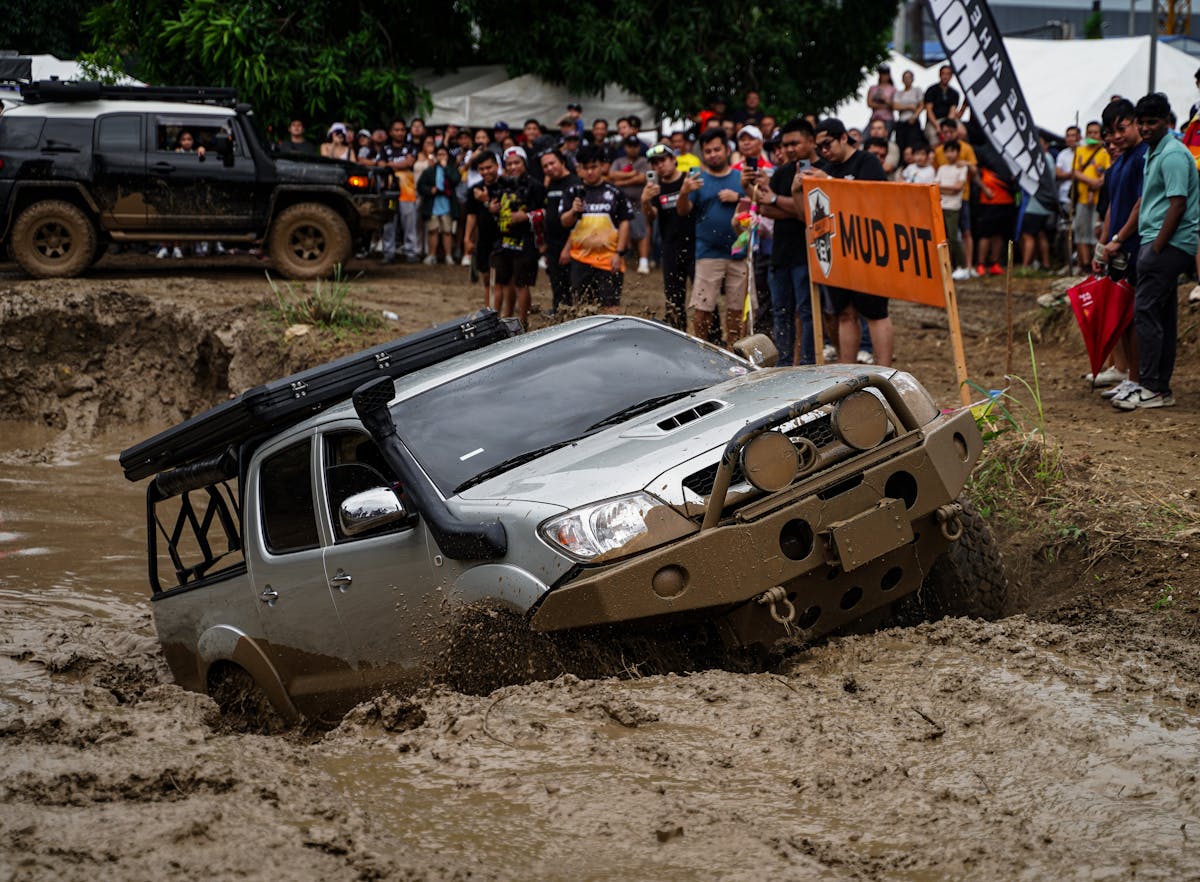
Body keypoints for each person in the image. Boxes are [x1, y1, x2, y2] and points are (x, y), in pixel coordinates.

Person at [1110, 93, 1198, 409]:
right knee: (1160, 313)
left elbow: (1178, 204)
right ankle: (1158, 387)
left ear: (1166, 122)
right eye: (1142, 122)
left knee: (1145, 311)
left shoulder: (1172, 154)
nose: (1146, 128)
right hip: (1158, 242)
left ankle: (1151, 387)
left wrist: (1156, 248)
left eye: (1152, 122)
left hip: (1169, 244)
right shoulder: (1154, 152)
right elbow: (1147, 202)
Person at [800, 118, 893, 366]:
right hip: (838, 251)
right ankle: (847, 373)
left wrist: (828, 182)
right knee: (844, 314)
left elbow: (872, 199)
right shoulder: (828, 168)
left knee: (876, 313)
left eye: (827, 144)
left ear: (843, 137)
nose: (824, 151)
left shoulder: (867, 161)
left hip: (868, 249)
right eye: (819, 148)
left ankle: (887, 373)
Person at [1093, 98, 1146, 402]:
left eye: (1121, 129)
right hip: (1117, 246)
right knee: (1123, 316)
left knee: (1135, 316)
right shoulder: (1121, 161)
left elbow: (1140, 203)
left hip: (1134, 244)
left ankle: (1138, 378)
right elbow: (1114, 205)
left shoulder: (1141, 157)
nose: (1115, 138)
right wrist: (1104, 242)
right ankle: (1127, 375)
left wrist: (1119, 237)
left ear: (1135, 123)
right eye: (1110, 133)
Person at [754, 117, 818, 365]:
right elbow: (765, 210)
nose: (790, 149)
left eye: (795, 143)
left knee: (806, 313)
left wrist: (775, 200)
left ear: (811, 141)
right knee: (780, 313)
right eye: (786, 144)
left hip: (807, 254)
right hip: (780, 253)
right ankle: (783, 364)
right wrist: (789, 206)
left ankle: (807, 363)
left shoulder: (820, 171)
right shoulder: (782, 172)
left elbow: (812, 213)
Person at [677, 128, 747, 344]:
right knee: (703, 308)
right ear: (703, 154)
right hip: (708, 252)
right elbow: (683, 211)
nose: (713, 154)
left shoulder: (741, 178)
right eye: (708, 151)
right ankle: (701, 349)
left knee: (736, 310)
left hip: (739, 253)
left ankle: (736, 353)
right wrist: (684, 192)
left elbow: (754, 207)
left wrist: (738, 197)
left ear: (727, 149)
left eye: (717, 149)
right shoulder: (698, 180)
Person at [561, 143, 632, 312]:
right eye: (585, 168)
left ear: (602, 167)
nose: (590, 172)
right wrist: (573, 210)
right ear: (579, 169)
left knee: (610, 308)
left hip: (609, 259)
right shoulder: (572, 192)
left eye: (594, 167)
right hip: (580, 259)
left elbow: (625, 222)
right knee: (582, 308)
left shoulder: (615, 192)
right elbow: (565, 222)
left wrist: (619, 253)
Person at [641, 142, 694, 329]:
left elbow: (690, 210)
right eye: (654, 163)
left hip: (695, 245)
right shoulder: (656, 187)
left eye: (662, 160)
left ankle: (713, 339)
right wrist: (645, 201)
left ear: (673, 159)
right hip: (670, 246)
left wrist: (685, 193)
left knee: (703, 298)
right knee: (673, 298)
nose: (659, 166)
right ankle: (677, 335)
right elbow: (651, 217)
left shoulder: (688, 180)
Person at [490, 146, 545, 326]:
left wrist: (527, 216)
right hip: (502, 240)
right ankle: (500, 320)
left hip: (526, 241)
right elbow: (492, 208)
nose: (513, 167)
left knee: (522, 283)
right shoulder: (500, 185)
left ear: (524, 164)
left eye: (517, 163)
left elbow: (547, 211)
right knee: (502, 282)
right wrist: (492, 209)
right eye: (509, 164)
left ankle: (522, 322)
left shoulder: (535, 185)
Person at [539, 148, 581, 314]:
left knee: (570, 283)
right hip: (552, 242)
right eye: (545, 166)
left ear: (562, 162)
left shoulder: (574, 183)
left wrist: (568, 247)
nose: (549, 168)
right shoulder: (550, 184)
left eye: (552, 163)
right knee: (556, 281)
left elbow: (579, 220)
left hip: (570, 242)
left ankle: (570, 315)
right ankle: (558, 311)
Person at [462, 151, 503, 308]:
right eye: (482, 169)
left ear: (497, 166)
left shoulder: (505, 186)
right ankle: (490, 313)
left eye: (489, 167)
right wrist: (467, 239)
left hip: (502, 238)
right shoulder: (475, 189)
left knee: (499, 280)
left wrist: (485, 201)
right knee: (486, 279)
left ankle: (499, 314)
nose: (486, 172)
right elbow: (471, 216)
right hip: (483, 238)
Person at [1071, 120, 1111, 270]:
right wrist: (1091, 181)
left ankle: (1097, 264)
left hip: (1098, 199)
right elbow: (1075, 171)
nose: (1092, 135)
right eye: (1090, 132)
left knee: (1096, 233)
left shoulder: (1105, 151)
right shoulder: (1079, 150)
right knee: (1081, 232)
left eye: (1095, 132)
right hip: (1081, 198)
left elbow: (1108, 171)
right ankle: (1084, 264)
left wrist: (1098, 183)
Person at [609, 135, 651, 273]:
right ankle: (623, 257)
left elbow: (644, 177)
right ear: (625, 147)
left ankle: (643, 261)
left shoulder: (645, 161)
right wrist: (632, 175)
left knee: (642, 231)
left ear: (639, 147)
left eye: (635, 146)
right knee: (621, 231)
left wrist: (622, 181)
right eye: (630, 146)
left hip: (638, 202)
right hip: (620, 203)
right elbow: (611, 176)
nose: (633, 149)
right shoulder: (619, 161)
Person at [382, 118, 420, 264]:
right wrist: (399, 164)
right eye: (396, 130)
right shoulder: (385, 149)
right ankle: (388, 253)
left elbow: (409, 162)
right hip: (391, 193)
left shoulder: (411, 147)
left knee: (409, 222)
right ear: (391, 132)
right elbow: (380, 164)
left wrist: (391, 164)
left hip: (407, 193)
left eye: (402, 130)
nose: (399, 132)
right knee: (389, 221)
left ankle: (411, 253)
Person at [417, 144, 460, 265]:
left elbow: (456, 180)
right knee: (433, 230)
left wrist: (446, 168)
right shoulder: (429, 171)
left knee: (447, 231)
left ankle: (448, 255)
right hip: (433, 203)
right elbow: (420, 186)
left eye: (444, 154)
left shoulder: (452, 169)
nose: (441, 157)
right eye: (439, 154)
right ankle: (431, 255)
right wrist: (430, 190)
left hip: (447, 204)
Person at [936, 141, 970, 279]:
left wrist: (942, 188)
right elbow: (935, 186)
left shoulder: (961, 168)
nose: (949, 154)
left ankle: (963, 266)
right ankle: (947, 266)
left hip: (954, 207)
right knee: (943, 239)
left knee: (953, 237)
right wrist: (948, 189)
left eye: (952, 151)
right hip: (941, 206)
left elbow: (957, 188)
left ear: (957, 152)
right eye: (947, 151)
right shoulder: (942, 168)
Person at [923, 65, 960, 144]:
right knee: (933, 136)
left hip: (948, 120)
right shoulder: (931, 90)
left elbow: (952, 110)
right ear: (940, 75)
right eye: (943, 74)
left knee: (961, 132)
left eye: (948, 74)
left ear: (951, 76)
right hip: (934, 121)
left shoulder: (954, 93)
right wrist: (937, 126)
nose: (945, 76)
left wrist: (947, 126)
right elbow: (929, 110)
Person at [892, 70, 925, 153]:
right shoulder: (898, 93)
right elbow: (895, 106)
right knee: (900, 144)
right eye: (905, 78)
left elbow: (921, 105)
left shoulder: (917, 90)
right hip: (901, 121)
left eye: (909, 77)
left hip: (913, 121)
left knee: (913, 144)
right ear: (902, 80)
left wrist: (915, 116)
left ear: (913, 79)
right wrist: (909, 106)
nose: (907, 80)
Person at [867, 66, 896, 133]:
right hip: (875, 117)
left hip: (888, 119)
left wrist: (884, 98)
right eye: (881, 74)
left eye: (885, 74)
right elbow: (869, 104)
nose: (883, 76)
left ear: (889, 75)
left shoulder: (893, 89)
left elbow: (894, 105)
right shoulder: (873, 88)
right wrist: (884, 106)